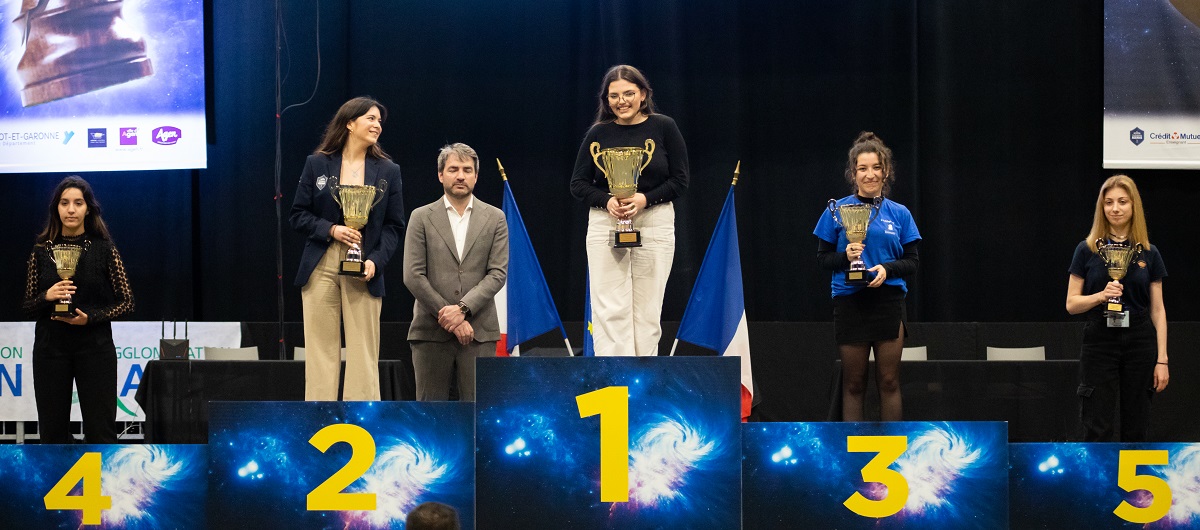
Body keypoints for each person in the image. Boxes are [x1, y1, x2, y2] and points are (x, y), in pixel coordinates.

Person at [291, 96, 405, 401]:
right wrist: (331, 229)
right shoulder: (317, 164)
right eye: (370, 118)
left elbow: (395, 226)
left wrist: (375, 262)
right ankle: (320, 423)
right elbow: (298, 214)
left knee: (363, 352)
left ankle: (362, 426)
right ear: (350, 123)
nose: (377, 125)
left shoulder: (388, 170)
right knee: (320, 352)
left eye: (380, 120)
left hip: (364, 266)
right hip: (321, 263)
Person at [570, 65, 689, 357]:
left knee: (647, 312)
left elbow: (680, 180)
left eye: (628, 93)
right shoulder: (598, 133)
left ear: (643, 94)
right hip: (605, 222)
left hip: (654, 221)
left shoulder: (664, 126)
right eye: (614, 96)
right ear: (606, 100)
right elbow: (578, 183)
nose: (621, 101)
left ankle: (640, 389)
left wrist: (644, 199)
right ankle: (613, 391)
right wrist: (606, 201)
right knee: (610, 310)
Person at [813, 132, 920, 422]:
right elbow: (823, 259)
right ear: (853, 174)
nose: (870, 175)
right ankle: (853, 456)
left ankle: (892, 454)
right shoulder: (837, 211)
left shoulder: (900, 214)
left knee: (888, 381)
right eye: (863, 168)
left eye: (876, 168)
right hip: (850, 301)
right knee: (854, 383)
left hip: (889, 302)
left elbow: (912, 261)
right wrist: (846, 256)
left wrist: (887, 270)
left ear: (885, 172)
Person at [23, 176, 134, 443]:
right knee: (52, 433)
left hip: (95, 347)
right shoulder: (40, 251)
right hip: (51, 349)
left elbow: (127, 302)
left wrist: (91, 318)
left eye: (78, 203)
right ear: (56, 209)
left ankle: (105, 484)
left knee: (101, 431)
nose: (71, 209)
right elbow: (27, 307)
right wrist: (47, 296)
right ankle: (61, 485)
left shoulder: (104, 249)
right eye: (64, 203)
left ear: (88, 209)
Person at [1066, 174, 1168, 441]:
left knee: (1137, 424)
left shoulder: (1149, 252)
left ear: (1133, 206)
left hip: (1139, 339)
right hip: (1100, 339)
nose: (1115, 208)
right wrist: (1101, 296)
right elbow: (1071, 304)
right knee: (1097, 424)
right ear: (1102, 208)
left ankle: (1133, 483)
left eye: (1122, 201)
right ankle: (1097, 483)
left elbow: (1158, 310)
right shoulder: (1086, 249)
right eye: (1109, 202)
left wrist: (1163, 359)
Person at [403, 143, 508, 401]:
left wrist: (462, 310)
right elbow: (412, 275)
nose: (460, 175)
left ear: (476, 176)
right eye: (453, 169)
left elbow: (497, 273)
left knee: (477, 416)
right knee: (431, 418)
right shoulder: (421, 216)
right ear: (441, 175)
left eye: (467, 169)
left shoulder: (495, 218)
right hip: (430, 331)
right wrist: (448, 316)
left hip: (479, 332)